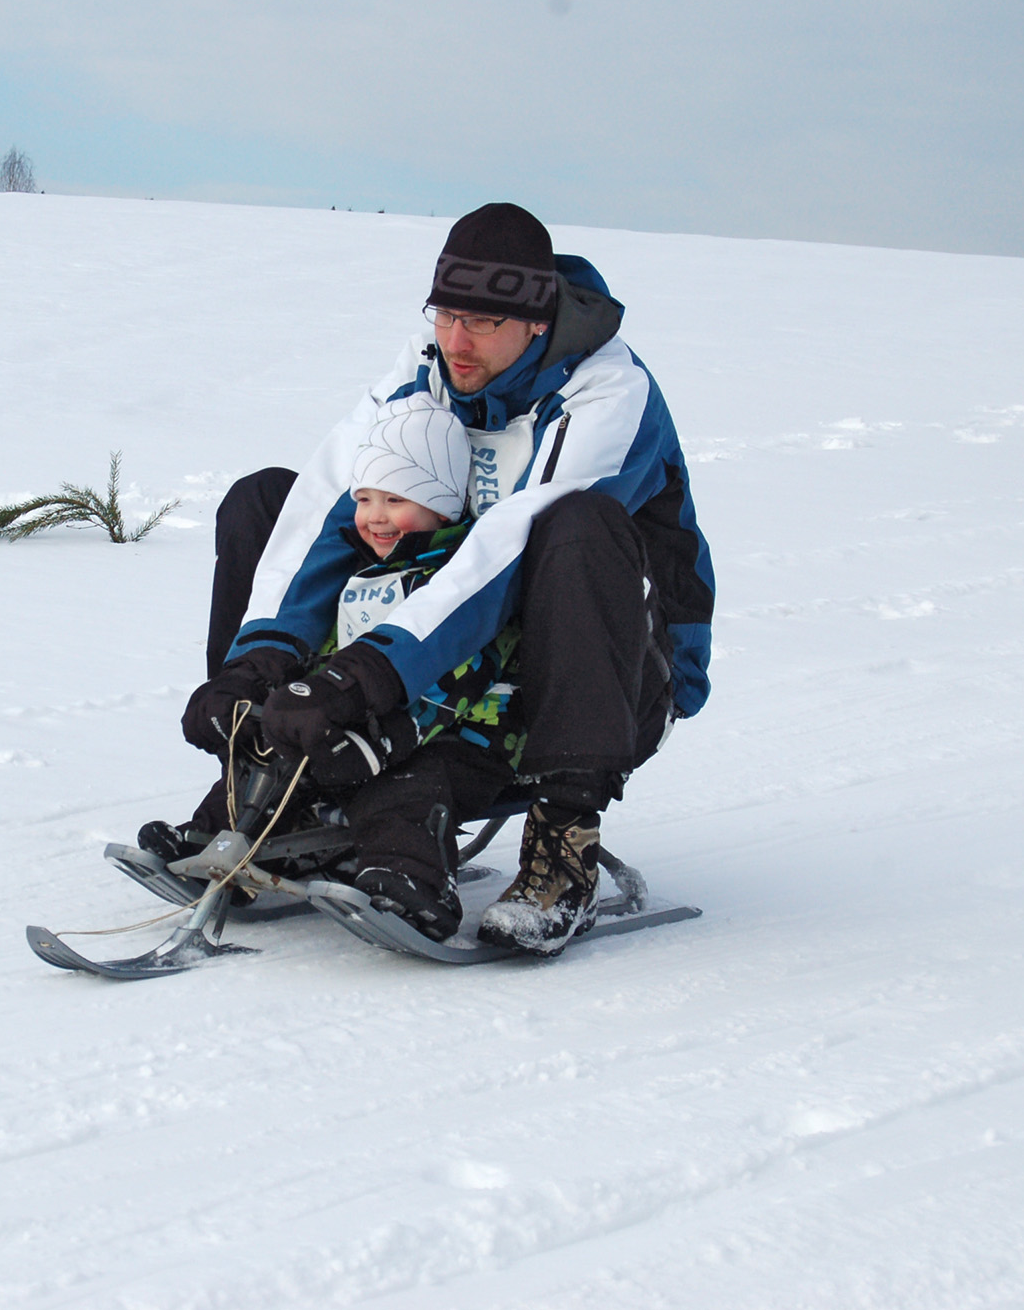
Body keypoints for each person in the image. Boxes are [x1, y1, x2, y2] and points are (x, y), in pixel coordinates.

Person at [180, 202, 715, 956]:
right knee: (267, 500)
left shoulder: (607, 393)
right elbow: (335, 496)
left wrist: (365, 675)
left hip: (617, 669)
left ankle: (562, 847)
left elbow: (507, 547)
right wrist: (259, 660)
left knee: (576, 525)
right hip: (452, 649)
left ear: (536, 322)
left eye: (483, 324)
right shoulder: (431, 364)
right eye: (446, 314)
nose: (456, 342)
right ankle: (280, 786)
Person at [147, 394, 530, 941]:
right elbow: (326, 652)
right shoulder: (355, 574)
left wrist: (389, 736)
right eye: (365, 498)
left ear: (443, 507)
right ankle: (216, 840)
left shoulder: (459, 577)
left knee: (400, 790)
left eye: (397, 499)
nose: (376, 516)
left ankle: (410, 882)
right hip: (369, 724)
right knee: (277, 754)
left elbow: (464, 674)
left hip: (463, 736)